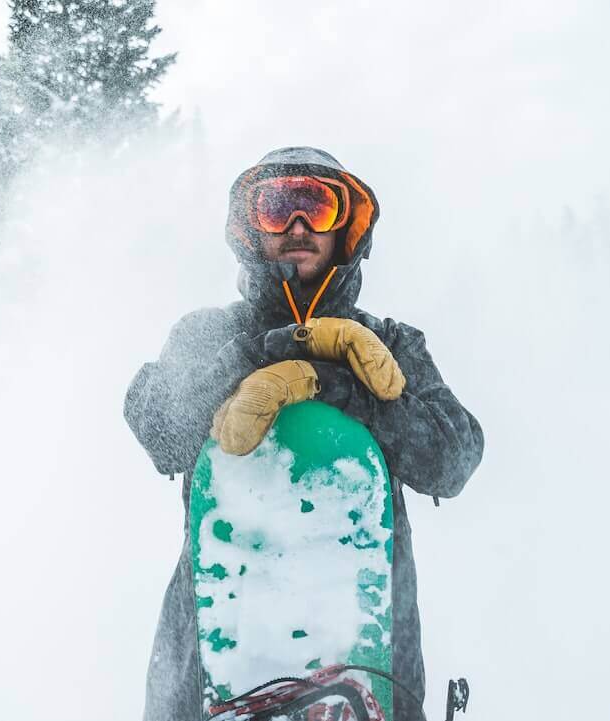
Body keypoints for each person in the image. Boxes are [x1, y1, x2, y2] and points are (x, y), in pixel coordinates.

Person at [124, 146, 484, 720]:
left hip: (374, 661)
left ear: (346, 227)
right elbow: (158, 429)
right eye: (277, 207)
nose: (297, 226)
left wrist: (338, 387)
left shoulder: (392, 345)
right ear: (250, 228)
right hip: (208, 658)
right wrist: (253, 355)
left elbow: (454, 458)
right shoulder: (208, 334)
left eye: (316, 206)